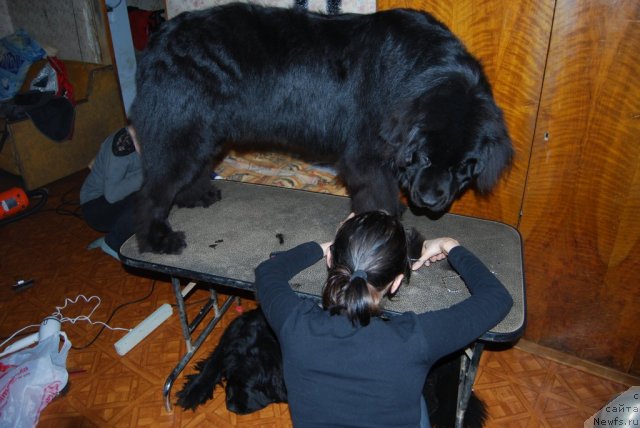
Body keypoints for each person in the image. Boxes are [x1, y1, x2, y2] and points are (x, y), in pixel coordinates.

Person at [254, 211, 513, 428]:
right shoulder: (415, 339)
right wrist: (450, 245)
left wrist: (325, 247)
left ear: (331, 260)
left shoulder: (295, 324)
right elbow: (497, 298)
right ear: (396, 283)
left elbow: (267, 273)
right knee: (418, 400)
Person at [80, 126, 142, 259]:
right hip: (96, 205)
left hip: (121, 199)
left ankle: (123, 232)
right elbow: (112, 195)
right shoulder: (122, 146)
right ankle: (113, 243)